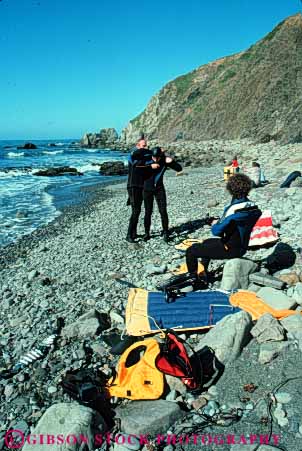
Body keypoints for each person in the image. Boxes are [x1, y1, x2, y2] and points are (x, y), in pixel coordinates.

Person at [185, 173, 262, 283]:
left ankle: (194, 280)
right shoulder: (253, 206)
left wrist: (215, 223)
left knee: (191, 251)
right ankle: (203, 272)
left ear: (230, 190)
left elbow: (216, 231)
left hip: (231, 249)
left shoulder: (233, 209)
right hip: (243, 245)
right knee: (206, 242)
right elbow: (238, 223)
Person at [143, 147, 182, 242]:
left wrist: (171, 162)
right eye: (154, 157)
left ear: (161, 156)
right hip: (147, 189)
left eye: (157, 157)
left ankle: (165, 232)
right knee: (148, 212)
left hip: (159, 189)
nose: (155, 159)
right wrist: (150, 166)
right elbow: (137, 169)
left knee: (163, 211)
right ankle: (147, 233)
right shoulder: (147, 160)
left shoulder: (164, 160)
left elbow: (179, 169)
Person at [126, 138, 158, 243]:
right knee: (136, 210)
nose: (145, 147)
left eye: (146, 145)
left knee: (137, 210)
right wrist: (150, 165)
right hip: (133, 185)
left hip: (141, 186)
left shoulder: (144, 156)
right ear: (138, 145)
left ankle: (134, 233)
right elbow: (137, 165)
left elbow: (151, 161)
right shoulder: (133, 154)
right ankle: (129, 235)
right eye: (143, 145)